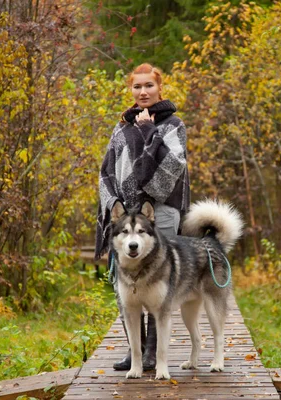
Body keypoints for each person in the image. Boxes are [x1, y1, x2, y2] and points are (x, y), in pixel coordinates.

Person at [94, 63, 190, 371]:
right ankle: (134, 351)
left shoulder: (173, 124)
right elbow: (106, 170)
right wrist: (113, 203)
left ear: (160, 88)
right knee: (124, 282)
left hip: (159, 212)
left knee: (157, 282)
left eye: (149, 85)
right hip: (126, 216)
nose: (143, 91)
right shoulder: (122, 127)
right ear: (131, 90)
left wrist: (149, 134)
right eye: (137, 86)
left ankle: (152, 353)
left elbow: (173, 167)